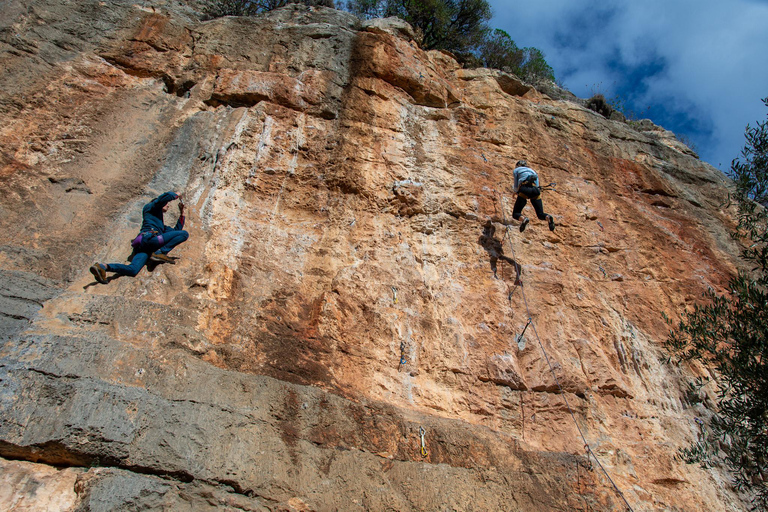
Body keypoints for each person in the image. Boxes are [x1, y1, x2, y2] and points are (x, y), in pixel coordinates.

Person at [89, 191, 188, 283]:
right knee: (185, 234)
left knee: (133, 270)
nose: (168, 205)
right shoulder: (149, 208)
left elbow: (176, 232)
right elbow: (163, 199)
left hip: (144, 247)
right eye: (166, 204)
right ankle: (159, 252)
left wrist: (182, 213)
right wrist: (177, 194)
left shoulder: (160, 226)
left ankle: (103, 267)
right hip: (150, 239)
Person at [512, 160, 555, 232]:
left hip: (524, 190)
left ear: (517, 165)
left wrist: (516, 191)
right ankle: (548, 217)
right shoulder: (533, 171)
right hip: (535, 190)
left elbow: (516, 184)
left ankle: (524, 219)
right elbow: (537, 185)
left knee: (516, 213)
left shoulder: (516, 170)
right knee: (540, 214)